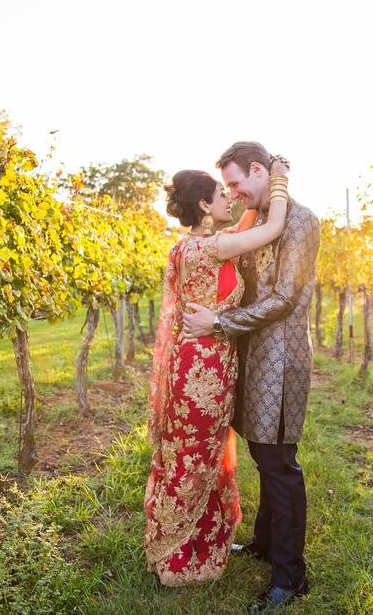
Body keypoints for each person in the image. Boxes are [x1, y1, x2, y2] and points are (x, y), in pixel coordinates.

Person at [183, 141, 321, 611]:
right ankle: (265, 545)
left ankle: (290, 576)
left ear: (260, 170)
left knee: (280, 467)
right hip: (251, 358)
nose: (234, 193)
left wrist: (218, 323)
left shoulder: (300, 222)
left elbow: (284, 297)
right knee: (264, 459)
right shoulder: (260, 220)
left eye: (237, 183)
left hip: (280, 362)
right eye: (228, 188)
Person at [144, 160, 291, 587]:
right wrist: (278, 180)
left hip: (199, 364)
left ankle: (188, 543)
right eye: (223, 194)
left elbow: (243, 220)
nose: (231, 197)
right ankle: (180, 554)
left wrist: (249, 195)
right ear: (206, 206)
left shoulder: (195, 244)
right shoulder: (210, 248)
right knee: (196, 457)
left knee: (194, 453)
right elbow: (270, 227)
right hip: (203, 371)